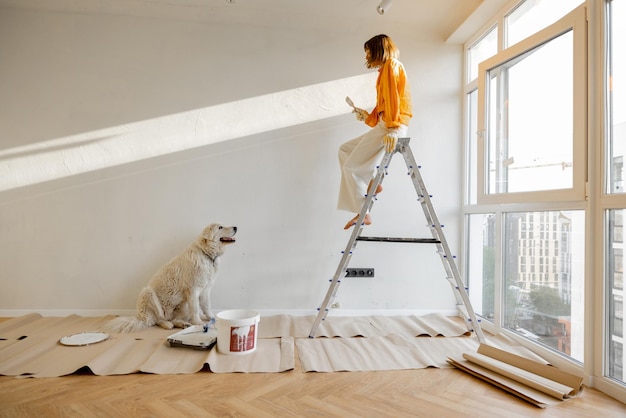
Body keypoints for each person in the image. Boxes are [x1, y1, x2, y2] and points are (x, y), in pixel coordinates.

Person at [338, 34, 412, 230]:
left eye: (369, 51)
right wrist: (367, 116)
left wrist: (395, 128)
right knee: (345, 150)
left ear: (379, 49)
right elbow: (384, 104)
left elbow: (395, 100)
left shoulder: (392, 66)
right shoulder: (384, 70)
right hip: (386, 124)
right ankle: (372, 183)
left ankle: (364, 214)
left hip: (391, 126)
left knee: (350, 168)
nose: (367, 56)